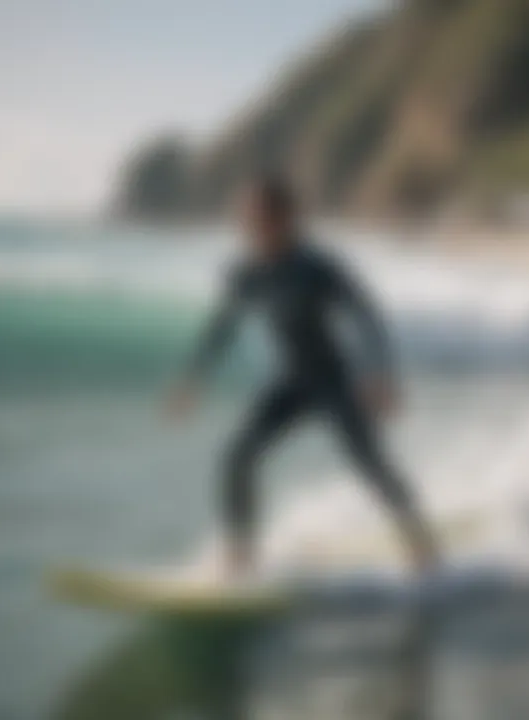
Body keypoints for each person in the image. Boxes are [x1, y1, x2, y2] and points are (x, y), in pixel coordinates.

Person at [169, 174, 439, 576]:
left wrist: (378, 373)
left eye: (257, 214)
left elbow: (366, 315)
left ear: (284, 216)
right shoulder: (247, 271)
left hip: (334, 382)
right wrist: (193, 377)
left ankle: (420, 541)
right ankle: (242, 553)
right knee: (237, 457)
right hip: (291, 383)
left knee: (369, 462)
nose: (248, 222)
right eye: (245, 215)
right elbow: (222, 326)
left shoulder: (316, 267)